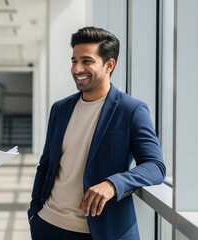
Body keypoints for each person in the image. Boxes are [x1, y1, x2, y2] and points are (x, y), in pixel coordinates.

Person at [28, 26, 166, 240]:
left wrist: (113, 184)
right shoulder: (60, 109)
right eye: (74, 61)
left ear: (109, 65)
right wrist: (34, 212)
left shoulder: (131, 110)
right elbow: (46, 165)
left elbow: (155, 167)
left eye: (86, 61)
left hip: (100, 232)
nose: (77, 69)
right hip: (48, 225)